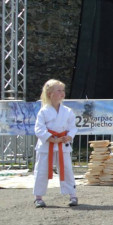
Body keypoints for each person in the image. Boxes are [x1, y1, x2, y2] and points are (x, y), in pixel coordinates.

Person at [33, 79, 78, 208]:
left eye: (63, 90)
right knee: (41, 170)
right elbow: (39, 129)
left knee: (67, 169)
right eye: (59, 90)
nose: (62, 93)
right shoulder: (43, 111)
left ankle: (72, 194)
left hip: (63, 144)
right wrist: (51, 139)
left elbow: (73, 127)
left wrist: (68, 137)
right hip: (47, 145)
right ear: (49, 93)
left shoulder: (67, 111)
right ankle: (38, 197)